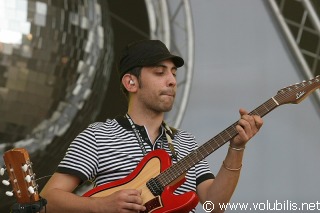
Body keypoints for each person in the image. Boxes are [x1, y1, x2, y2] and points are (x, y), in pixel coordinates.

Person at [40, 39, 263, 213]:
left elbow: (214, 205)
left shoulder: (185, 141)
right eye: (160, 72)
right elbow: (46, 200)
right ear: (131, 82)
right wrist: (100, 206)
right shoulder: (98, 136)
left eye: (174, 74)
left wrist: (237, 148)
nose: (172, 81)